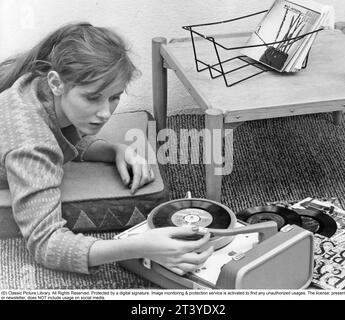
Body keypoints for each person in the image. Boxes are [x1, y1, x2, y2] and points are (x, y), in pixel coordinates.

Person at [0, 22, 213, 275]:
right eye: (92, 98)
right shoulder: (31, 145)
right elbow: (46, 245)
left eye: (114, 97)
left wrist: (114, 150)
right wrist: (137, 247)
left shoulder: (40, 86)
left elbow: (62, 134)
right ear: (56, 83)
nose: (104, 113)